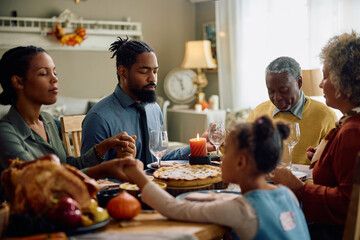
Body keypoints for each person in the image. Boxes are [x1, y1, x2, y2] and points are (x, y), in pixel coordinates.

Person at [123, 116, 311, 240]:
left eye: (225, 150)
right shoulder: (287, 194)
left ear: (241, 162)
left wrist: (137, 175)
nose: (220, 157)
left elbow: (174, 209)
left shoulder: (243, 210)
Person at [0, 46, 142, 201]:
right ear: (18, 82)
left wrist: (104, 146)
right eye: (43, 73)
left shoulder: (47, 121)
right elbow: (40, 181)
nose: (55, 79)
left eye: (55, 72)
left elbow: (68, 165)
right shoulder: (6, 132)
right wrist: (103, 169)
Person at [269, 31, 360, 240]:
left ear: (344, 82)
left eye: (326, 76)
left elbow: (349, 204)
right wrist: (324, 157)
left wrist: (298, 188)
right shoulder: (350, 122)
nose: (320, 84)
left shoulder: (353, 131)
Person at [81, 37, 214, 165]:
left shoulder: (154, 109)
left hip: (156, 185)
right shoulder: (98, 118)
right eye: (144, 72)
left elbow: (159, 159)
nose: (153, 79)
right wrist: (125, 167)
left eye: (155, 71)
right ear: (122, 72)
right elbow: (91, 176)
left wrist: (199, 146)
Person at [247, 56, 338, 165]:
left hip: (307, 181)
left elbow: (333, 165)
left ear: (299, 82)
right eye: (271, 91)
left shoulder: (325, 116)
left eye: (283, 90)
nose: (277, 97)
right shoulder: (259, 112)